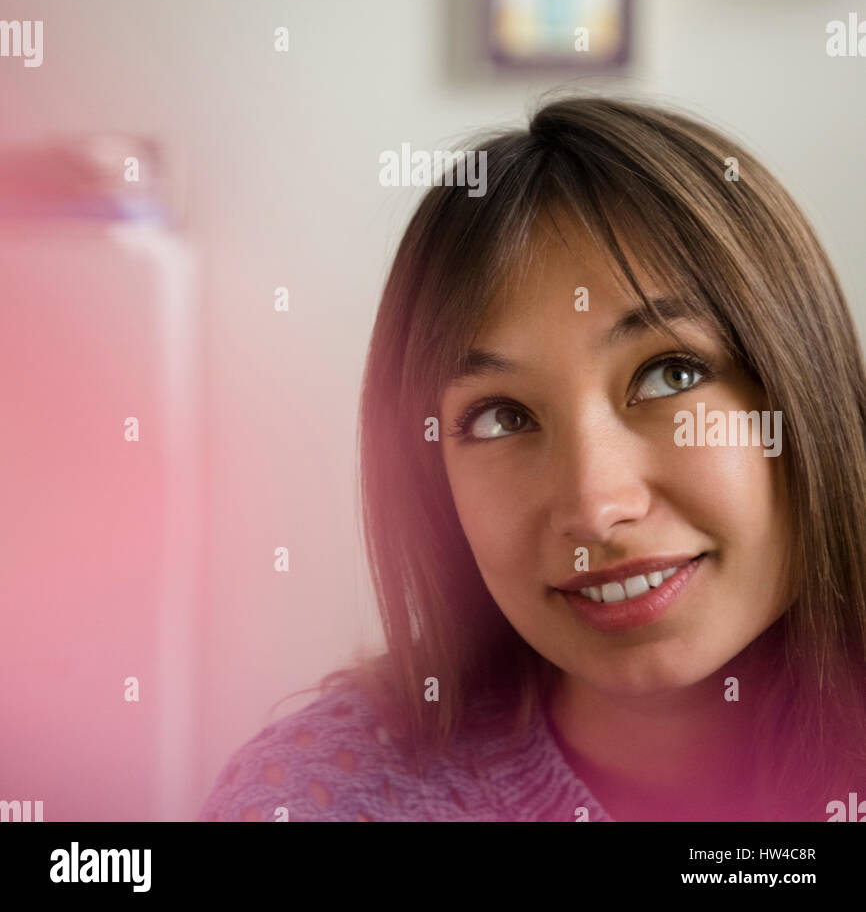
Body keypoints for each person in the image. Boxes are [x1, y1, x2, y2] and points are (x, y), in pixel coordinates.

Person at [199, 94, 866, 822]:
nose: (595, 505)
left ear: (802, 387)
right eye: (501, 417)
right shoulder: (313, 801)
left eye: (670, 373)